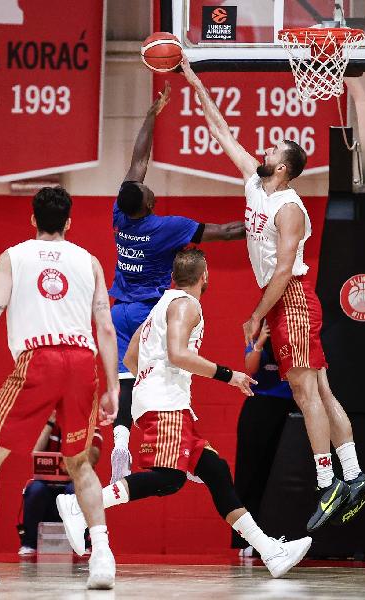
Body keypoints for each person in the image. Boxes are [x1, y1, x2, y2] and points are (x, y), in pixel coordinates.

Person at [181, 58, 365, 532]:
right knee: (322, 390)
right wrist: (191, 77)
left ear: (283, 166)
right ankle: (353, 474)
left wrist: (255, 318)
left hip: (290, 297)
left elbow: (286, 269)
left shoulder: (289, 207)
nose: (262, 148)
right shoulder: (254, 181)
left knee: (304, 391)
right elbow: (220, 128)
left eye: (271, 148)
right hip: (281, 300)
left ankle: (327, 481)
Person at [57, 248, 312, 578]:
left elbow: (132, 358)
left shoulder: (160, 307)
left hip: (161, 401)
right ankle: (80, 505)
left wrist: (153, 380)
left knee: (216, 471)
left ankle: (270, 551)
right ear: (205, 276)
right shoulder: (186, 305)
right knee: (169, 479)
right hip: (166, 405)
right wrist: (228, 375)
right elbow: (177, 354)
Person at [0, 187, 120, 591]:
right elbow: (105, 328)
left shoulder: (14, 256)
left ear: (32, 219)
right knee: (79, 464)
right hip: (82, 363)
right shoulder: (88, 262)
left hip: (39, 361)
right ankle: (102, 557)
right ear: (69, 222)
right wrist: (111, 386)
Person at [109, 80, 246, 484]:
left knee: (126, 381)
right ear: (149, 203)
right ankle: (185, 446)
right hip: (153, 312)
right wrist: (262, 221)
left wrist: (151, 115)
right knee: (172, 376)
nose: (144, 183)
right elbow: (223, 231)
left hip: (121, 313)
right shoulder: (166, 227)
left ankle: (121, 443)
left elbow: (138, 160)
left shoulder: (121, 215)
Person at [232, 321, 297, 553]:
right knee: (251, 472)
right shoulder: (255, 333)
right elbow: (249, 369)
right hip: (260, 406)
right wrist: (260, 342)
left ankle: (281, 535)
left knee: (282, 474)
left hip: (290, 408)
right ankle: (247, 540)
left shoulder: (294, 336)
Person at [17, 415, 102, 556]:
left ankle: (83, 543)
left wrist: (82, 429)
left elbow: (93, 458)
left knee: (75, 490)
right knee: (35, 489)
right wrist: (50, 422)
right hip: (46, 486)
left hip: (74, 484)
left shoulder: (92, 428)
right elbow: (35, 454)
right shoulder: (50, 428)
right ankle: (29, 543)